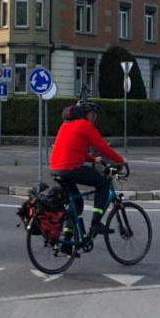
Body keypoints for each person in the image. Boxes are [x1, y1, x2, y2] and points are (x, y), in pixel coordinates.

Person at [49, 100, 126, 237]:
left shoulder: (66, 125)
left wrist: (93, 159)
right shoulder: (85, 125)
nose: (94, 118)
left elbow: (73, 150)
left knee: (76, 202)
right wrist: (120, 160)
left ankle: (67, 241)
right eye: (93, 114)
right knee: (103, 184)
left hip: (55, 169)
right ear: (86, 114)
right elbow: (102, 147)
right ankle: (96, 223)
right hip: (71, 168)